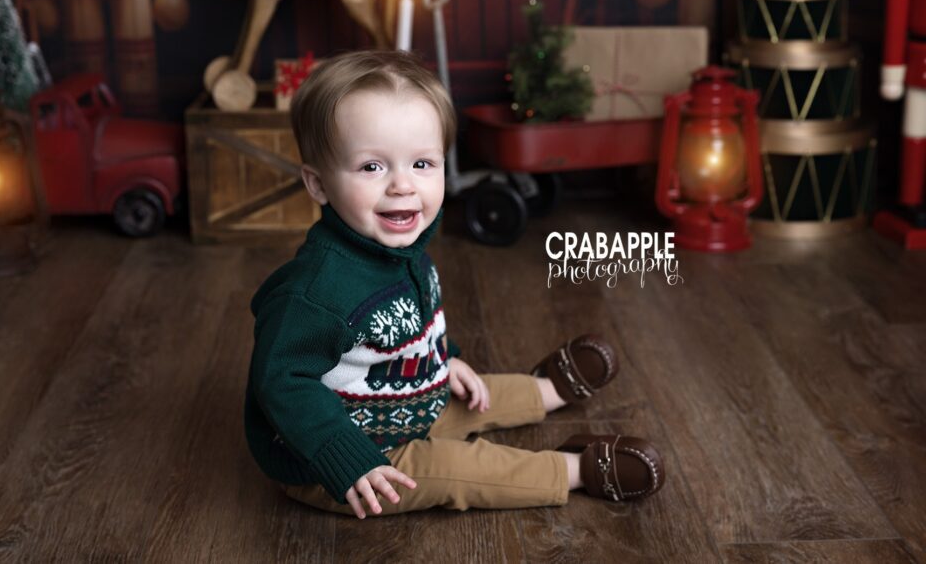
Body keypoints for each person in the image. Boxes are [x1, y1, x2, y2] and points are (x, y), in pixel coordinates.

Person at [245, 50, 665, 517]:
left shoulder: (401, 249)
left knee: (467, 392)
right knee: (453, 468)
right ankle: (575, 469)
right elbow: (280, 381)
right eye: (372, 167)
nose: (403, 185)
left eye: (422, 164)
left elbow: (419, 325)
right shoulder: (316, 293)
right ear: (319, 184)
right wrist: (344, 459)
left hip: (399, 406)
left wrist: (446, 361)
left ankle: (546, 392)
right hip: (345, 464)